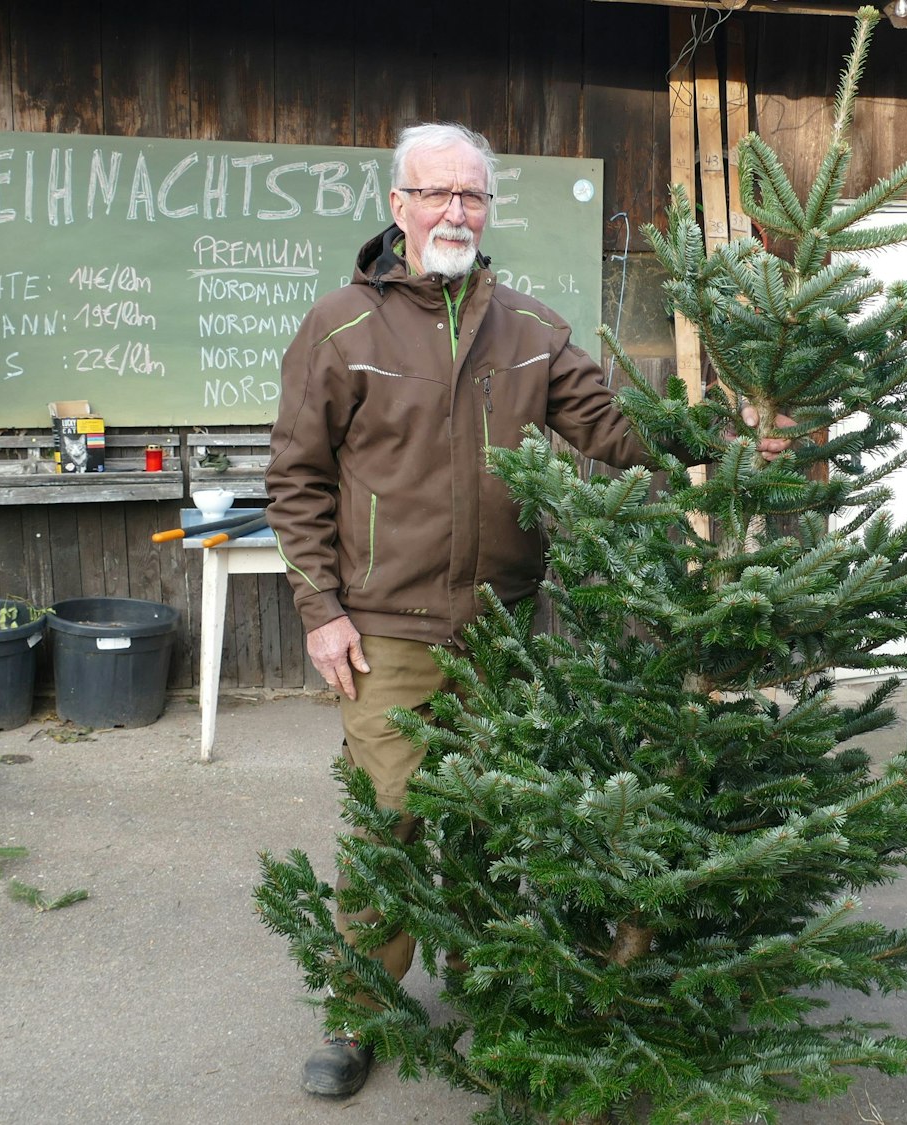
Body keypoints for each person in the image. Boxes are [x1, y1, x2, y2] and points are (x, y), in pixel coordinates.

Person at [266, 121, 785, 1099]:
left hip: (505, 626)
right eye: (435, 195)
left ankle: (484, 981)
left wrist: (730, 417)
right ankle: (358, 1015)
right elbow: (293, 479)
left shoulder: (530, 330)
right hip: (387, 633)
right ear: (398, 208)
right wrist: (319, 606)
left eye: (471, 196)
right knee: (391, 822)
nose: (454, 212)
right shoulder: (340, 327)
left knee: (495, 819)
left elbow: (616, 431)